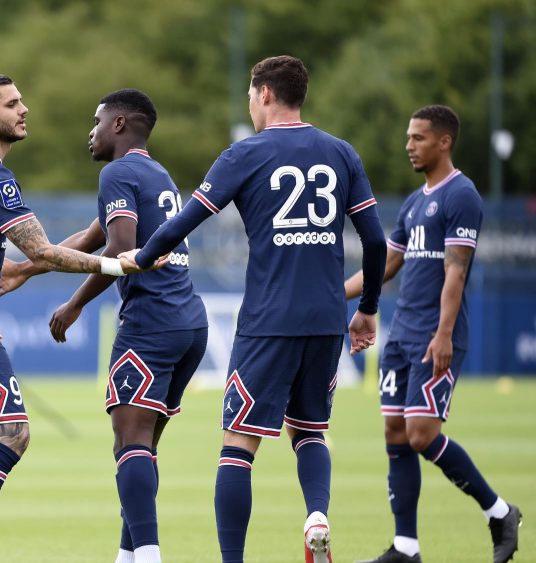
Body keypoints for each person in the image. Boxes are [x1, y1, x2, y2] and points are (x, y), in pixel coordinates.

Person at [119, 55, 387, 563]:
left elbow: (185, 220)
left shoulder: (245, 155)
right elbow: (375, 241)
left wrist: (144, 255)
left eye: (249, 92)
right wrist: (368, 307)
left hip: (268, 322)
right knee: (310, 431)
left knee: (237, 446)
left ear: (264, 94)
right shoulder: (342, 153)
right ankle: (316, 515)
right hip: (327, 320)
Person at [0, 72, 156, 563]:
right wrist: (118, 262)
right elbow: (44, 248)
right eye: (11, 103)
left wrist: (20, 271)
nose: (23, 110)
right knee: (12, 432)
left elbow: (21, 255)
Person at [0, 89, 208, 563]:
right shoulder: (156, 174)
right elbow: (88, 239)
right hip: (189, 323)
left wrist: (74, 305)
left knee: (129, 444)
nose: (89, 132)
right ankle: (127, 555)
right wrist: (27, 266)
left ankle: (149, 556)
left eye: (96, 121)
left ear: (119, 125)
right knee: (141, 450)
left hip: (151, 323)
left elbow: (117, 251)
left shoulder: (116, 172)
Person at [346, 105, 521, 563]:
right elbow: (386, 265)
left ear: (444, 141)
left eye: (419, 138)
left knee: (421, 434)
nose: (409, 145)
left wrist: (443, 335)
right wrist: (334, 294)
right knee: (396, 432)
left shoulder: (462, 196)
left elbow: (456, 274)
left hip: (432, 337)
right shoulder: (413, 201)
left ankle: (500, 512)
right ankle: (406, 547)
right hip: (401, 335)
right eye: (409, 137)